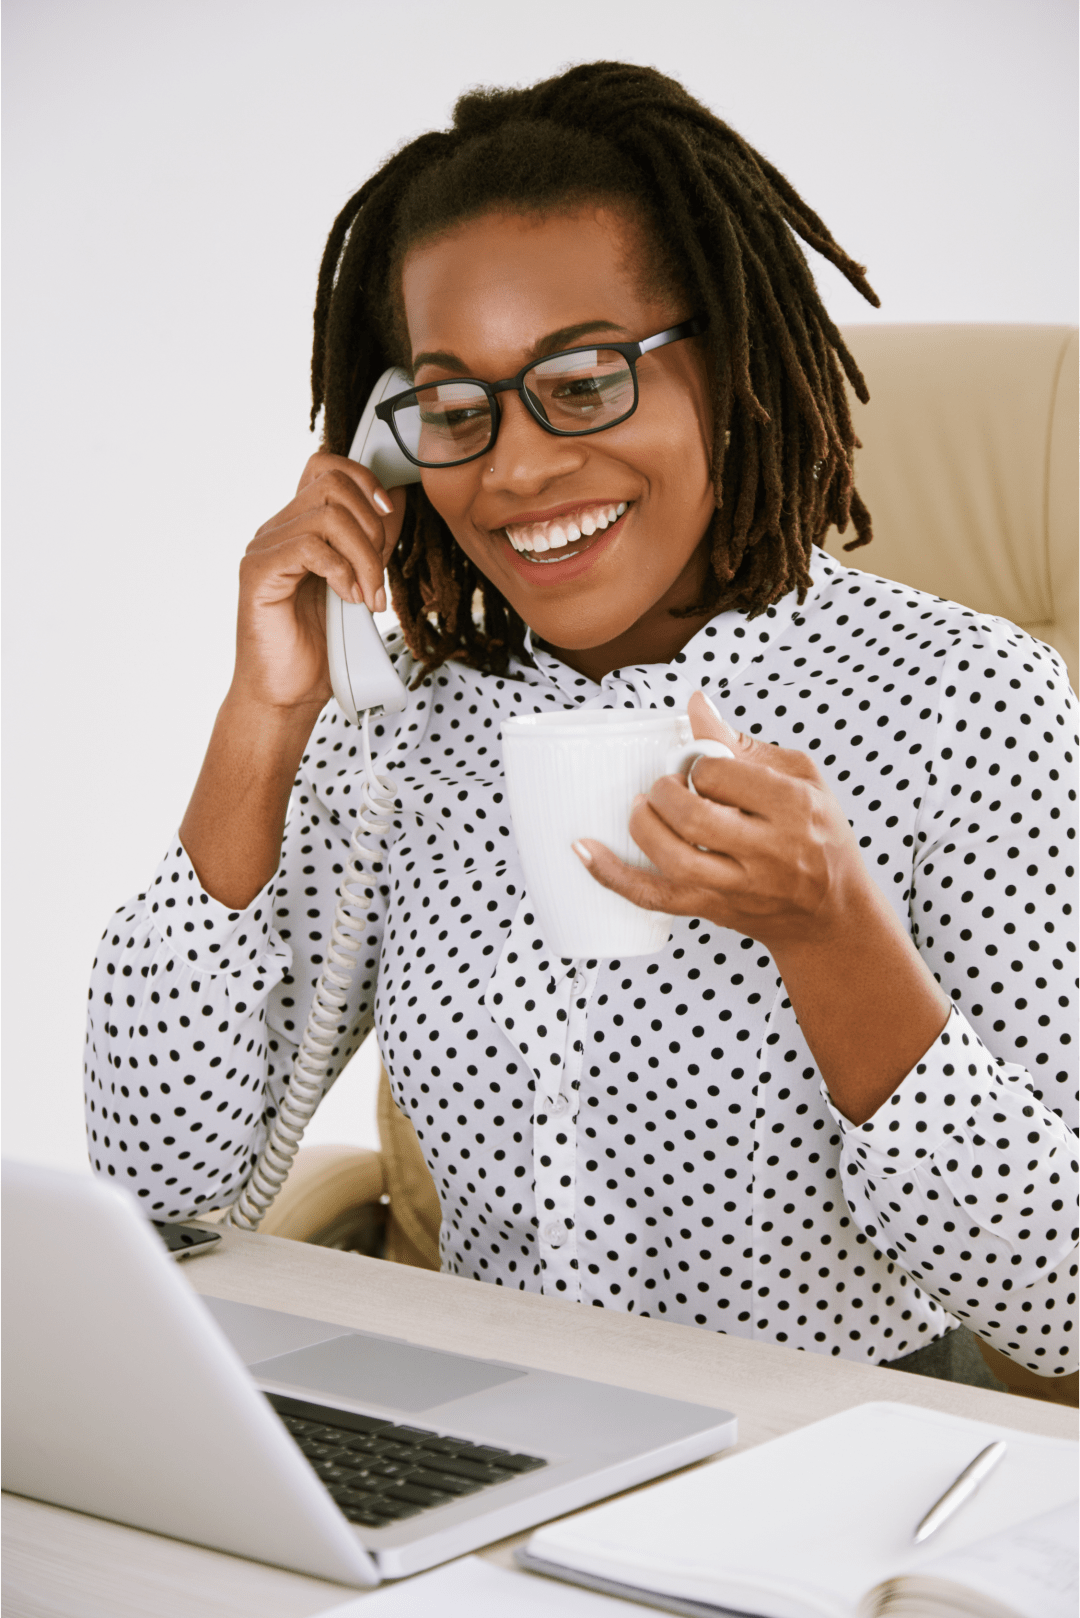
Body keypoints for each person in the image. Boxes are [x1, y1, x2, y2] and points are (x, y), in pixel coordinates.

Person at [85, 62, 1078, 1385]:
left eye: (585, 378)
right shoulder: (398, 727)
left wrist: (832, 937)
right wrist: (261, 722)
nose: (516, 468)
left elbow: (1065, 1300)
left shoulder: (967, 704)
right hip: (489, 1446)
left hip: (833, 1465)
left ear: (720, 360)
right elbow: (163, 1192)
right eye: (455, 409)